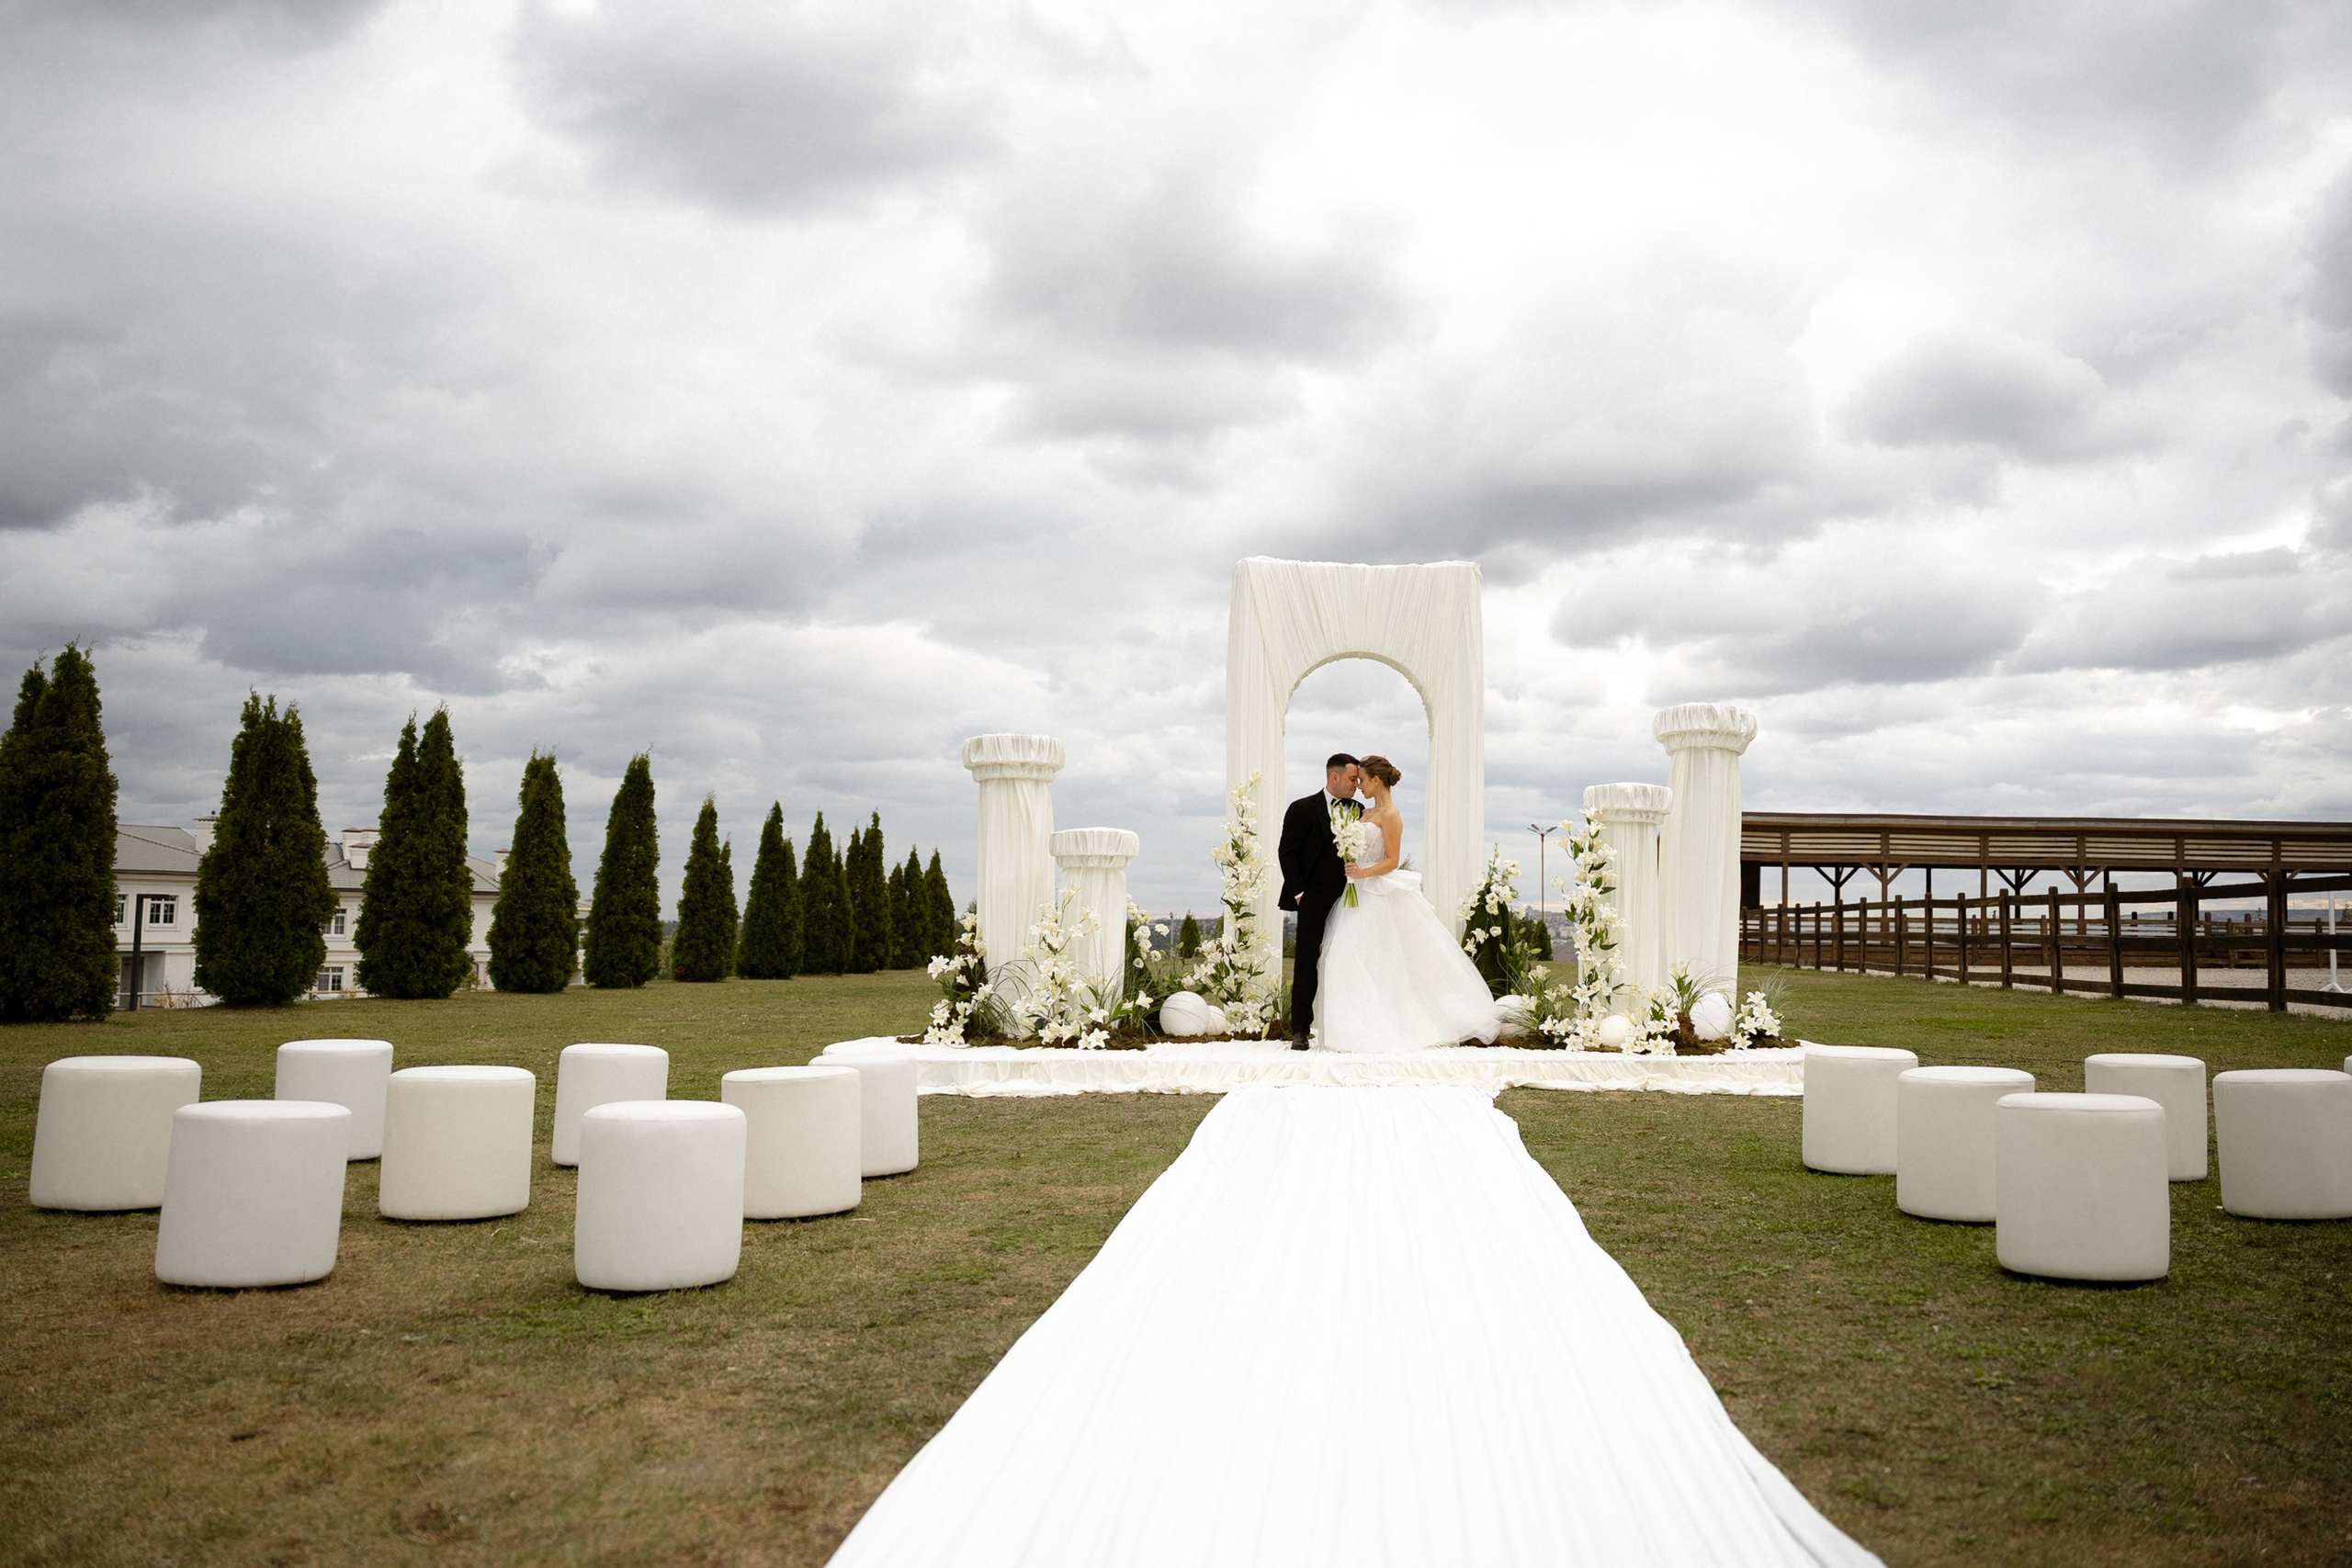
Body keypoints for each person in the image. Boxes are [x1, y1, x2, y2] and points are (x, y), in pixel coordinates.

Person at [1312, 754, 1501, 1053]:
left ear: (1376, 780)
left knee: (1381, 961)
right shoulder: (1363, 813)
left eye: (1362, 779)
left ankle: (1386, 1026)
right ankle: (1349, 1029)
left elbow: (1392, 860)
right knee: (1345, 957)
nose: (1359, 785)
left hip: (1376, 895)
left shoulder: (1391, 815)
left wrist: (1362, 872)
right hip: (1355, 896)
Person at [1276, 754, 1361, 1051]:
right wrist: (1300, 894)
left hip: (1351, 900)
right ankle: (1300, 1029)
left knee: (1348, 959)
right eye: (1353, 779)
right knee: (1306, 960)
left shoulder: (1359, 811)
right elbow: (1286, 852)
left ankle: (1346, 1025)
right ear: (1334, 778)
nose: (1357, 786)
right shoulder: (1301, 809)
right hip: (1312, 897)